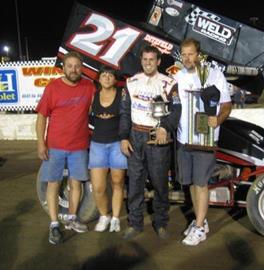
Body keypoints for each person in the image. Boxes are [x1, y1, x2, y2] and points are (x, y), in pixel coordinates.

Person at [174, 38, 232, 246]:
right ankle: (201, 220)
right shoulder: (178, 76)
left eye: (191, 54)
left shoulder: (215, 74)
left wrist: (218, 119)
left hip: (205, 139)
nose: (187, 58)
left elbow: (226, 104)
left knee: (201, 183)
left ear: (198, 54)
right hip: (184, 138)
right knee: (190, 182)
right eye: (184, 54)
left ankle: (199, 228)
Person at [120, 45, 181, 240]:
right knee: (135, 184)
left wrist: (165, 127)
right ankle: (135, 223)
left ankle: (161, 223)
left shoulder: (169, 83)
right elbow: (124, 113)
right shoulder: (131, 82)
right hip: (135, 136)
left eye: (151, 60)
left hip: (158, 138)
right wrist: (123, 137)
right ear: (141, 61)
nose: (148, 63)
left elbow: (177, 110)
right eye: (145, 59)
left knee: (160, 184)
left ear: (159, 62)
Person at [36, 51, 95, 245]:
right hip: (55, 147)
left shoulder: (89, 87)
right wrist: (40, 143)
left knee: (76, 183)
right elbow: (42, 117)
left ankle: (71, 218)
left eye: (77, 66)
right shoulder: (53, 88)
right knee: (53, 184)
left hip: (79, 146)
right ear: (63, 67)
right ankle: (54, 224)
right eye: (70, 66)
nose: (73, 70)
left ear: (82, 68)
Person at [89, 66, 130, 233]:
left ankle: (115, 218)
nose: (106, 78)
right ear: (99, 79)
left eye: (110, 75)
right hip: (97, 145)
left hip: (117, 144)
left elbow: (128, 117)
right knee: (98, 187)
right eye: (103, 75)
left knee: (117, 183)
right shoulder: (93, 96)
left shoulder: (122, 95)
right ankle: (104, 215)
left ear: (115, 79)